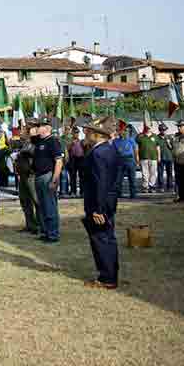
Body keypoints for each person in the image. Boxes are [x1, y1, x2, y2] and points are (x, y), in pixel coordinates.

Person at [81, 120, 120, 290]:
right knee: (108, 238)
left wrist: (98, 209)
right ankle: (111, 273)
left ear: (97, 134)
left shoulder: (98, 153)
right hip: (108, 200)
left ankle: (106, 278)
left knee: (101, 239)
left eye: (88, 132)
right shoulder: (110, 149)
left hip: (99, 203)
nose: (86, 135)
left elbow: (100, 182)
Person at [32, 120, 63, 243]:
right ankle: (46, 231)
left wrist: (54, 179)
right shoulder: (40, 141)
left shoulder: (53, 141)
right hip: (39, 176)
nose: (37, 128)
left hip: (47, 176)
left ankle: (53, 234)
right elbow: (28, 136)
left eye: (39, 126)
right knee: (43, 206)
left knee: (50, 206)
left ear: (47, 128)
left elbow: (59, 161)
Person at [13, 126, 41, 235]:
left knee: (36, 200)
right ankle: (30, 225)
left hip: (31, 175)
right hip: (23, 175)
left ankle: (40, 225)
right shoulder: (24, 143)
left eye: (23, 130)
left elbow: (34, 155)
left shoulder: (35, 142)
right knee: (24, 200)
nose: (21, 132)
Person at [112, 126, 138, 199]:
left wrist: (136, 160)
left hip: (130, 160)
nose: (123, 132)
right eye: (121, 131)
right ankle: (118, 193)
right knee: (118, 179)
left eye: (125, 131)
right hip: (119, 160)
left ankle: (133, 194)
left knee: (132, 178)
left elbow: (135, 149)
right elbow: (113, 151)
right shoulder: (115, 141)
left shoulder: (131, 140)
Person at [136, 124, 160, 193]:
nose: (148, 128)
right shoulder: (140, 136)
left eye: (149, 127)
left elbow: (158, 148)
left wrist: (159, 156)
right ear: (145, 127)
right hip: (143, 157)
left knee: (153, 173)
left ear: (152, 127)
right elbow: (137, 148)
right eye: (147, 127)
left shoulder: (155, 136)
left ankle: (152, 186)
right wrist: (137, 157)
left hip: (153, 157)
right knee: (144, 173)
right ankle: (145, 187)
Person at [67, 127, 85, 197]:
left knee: (81, 176)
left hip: (81, 159)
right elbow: (67, 149)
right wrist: (71, 143)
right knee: (73, 176)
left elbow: (84, 148)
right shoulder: (70, 141)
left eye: (77, 133)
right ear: (72, 134)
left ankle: (82, 192)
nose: (76, 134)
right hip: (73, 159)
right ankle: (73, 192)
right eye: (75, 133)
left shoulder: (81, 141)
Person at [157, 123, 174, 192]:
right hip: (160, 157)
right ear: (159, 130)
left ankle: (169, 186)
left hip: (169, 157)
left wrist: (168, 143)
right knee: (160, 173)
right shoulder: (157, 137)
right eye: (162, 130)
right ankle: (161, 186)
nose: (163, 131)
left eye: (164, 130)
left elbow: (172, 148)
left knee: (169, 173)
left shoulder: (170, 137)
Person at [172, 120, 184, 203]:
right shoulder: (176, 136)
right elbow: (173, 148)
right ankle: (180, 196)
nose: (179, 127)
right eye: (178, 126)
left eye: (181, 126)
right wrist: (168, 143)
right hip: (177, 162)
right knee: (178, 180)